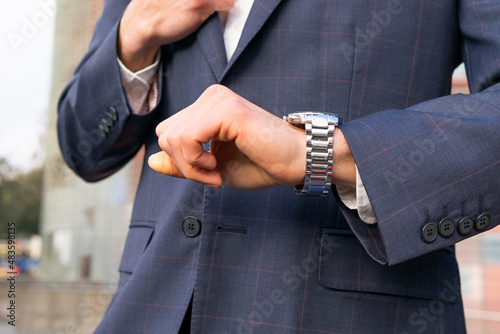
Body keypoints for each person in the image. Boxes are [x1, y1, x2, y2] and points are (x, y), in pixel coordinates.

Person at [57, 0, 500, 333]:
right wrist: (133, 33)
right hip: (151, 309)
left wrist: (319, 152)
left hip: (350, 314)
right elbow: (83, 148)